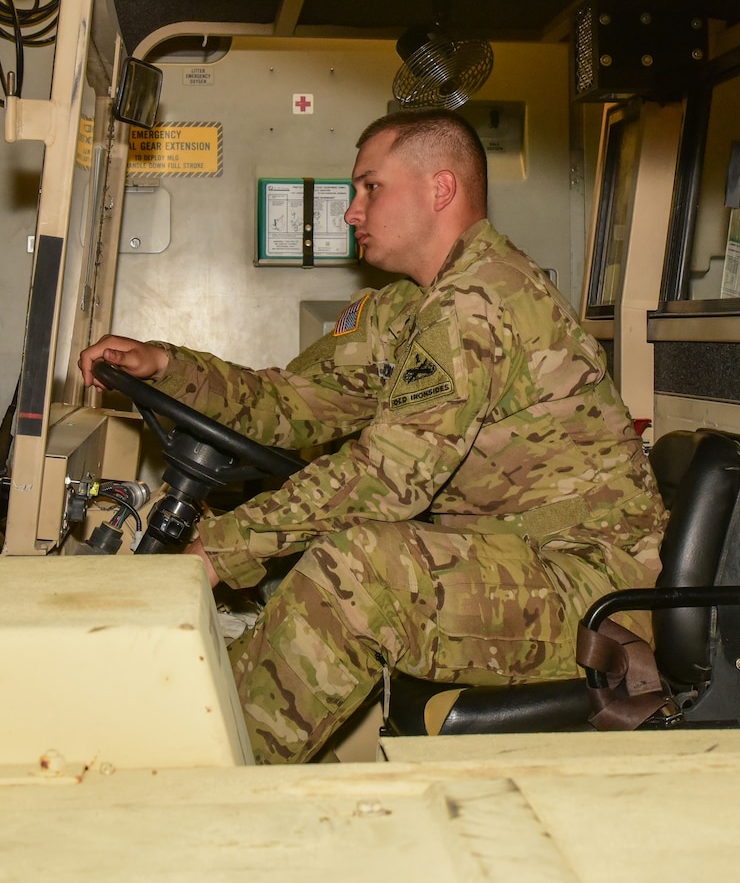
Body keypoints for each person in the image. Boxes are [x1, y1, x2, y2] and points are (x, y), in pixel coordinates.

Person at [78, 109, 665, 764]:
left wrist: (220, 551)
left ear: (440, 190)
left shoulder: (481, 300)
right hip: (514, 564)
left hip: (590, 592)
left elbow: (387, 478)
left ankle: (196, 778)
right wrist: (168, 366)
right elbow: (294, 403)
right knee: (314, 565)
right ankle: (198, 742)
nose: (352, 212)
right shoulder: (407, 310)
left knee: (362, 571)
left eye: (370, 188)